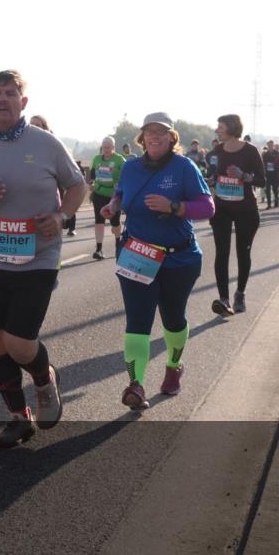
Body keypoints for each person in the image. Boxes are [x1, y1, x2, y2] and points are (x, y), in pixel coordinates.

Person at [0, 70, 87, 447]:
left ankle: (44, 378)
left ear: (23, 102)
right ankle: (17, 418)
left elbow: (78, 186)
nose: (3, 99)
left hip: (37, 259)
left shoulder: (47, 144)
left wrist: (61, 216)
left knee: (19, 343)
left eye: (11, 93)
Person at [101, 113, 214, 409]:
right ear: (142, 138)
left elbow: (207, 207)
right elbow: (120, 193)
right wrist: (113, 205)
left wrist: (174, 206)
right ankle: (135, 384)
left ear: (171, 137)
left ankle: (174, 366)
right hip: (137, 254)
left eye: (161, 132)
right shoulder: (131, 167)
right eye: (149, 132)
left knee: (173, 319)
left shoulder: (184, 167)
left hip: (179, 258)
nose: (154, 136)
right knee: (137, 322)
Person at [210, 114, 265, 316]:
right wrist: (211, 179)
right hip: (221, 208)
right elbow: (213, 174)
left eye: (220, 126)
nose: (217, 130)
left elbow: (261, 180)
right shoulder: (217, 151)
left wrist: (243, 176)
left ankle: (240, 294)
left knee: (243, 252)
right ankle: (224, 299)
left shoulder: (250, 151)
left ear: (232, 128)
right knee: (221, 253)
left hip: (246, 209)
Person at [29, 115, 78, 237]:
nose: (34, 128)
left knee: (49, 232)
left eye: (37, 125)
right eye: (31, 125)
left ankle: (70, 226)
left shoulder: (53, 146)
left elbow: (76, 183)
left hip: (52, 194)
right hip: (30, 196)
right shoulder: (24, 146)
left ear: (45, 127)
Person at [89, 136, 125, 259]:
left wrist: (121, 185)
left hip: (114, 196)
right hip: (99, 193)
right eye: (104, 148)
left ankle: (118, 243)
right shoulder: (97, 159)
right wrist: (91, 183)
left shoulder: (120, 160)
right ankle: (99, 250)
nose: (106, 150)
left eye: (108, 148)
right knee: (99, 221)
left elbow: (127, 175)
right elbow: (92, 173)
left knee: (115, 222)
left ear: (113, 147)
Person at [263, 140, 279, 209]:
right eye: (269, 145)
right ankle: (269, 204)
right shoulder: (265, 154)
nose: (270, 146)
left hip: (275, 174)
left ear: (273, 145)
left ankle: (276, 202)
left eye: (271, 145)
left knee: (275, 189)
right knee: (267, 190)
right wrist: (264, 171)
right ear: (267, 146)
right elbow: (263, 163)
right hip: (268, 174)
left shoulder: (277, 153)